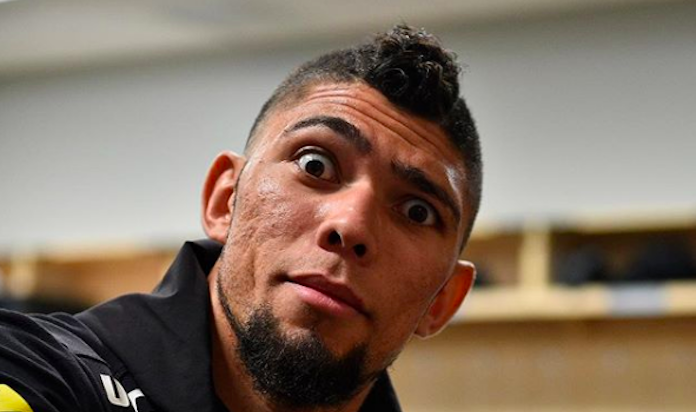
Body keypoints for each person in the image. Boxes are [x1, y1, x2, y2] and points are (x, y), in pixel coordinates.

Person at [0, 24, 482, 412]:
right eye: (315, 164)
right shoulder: (42, 374)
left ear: (443, 300)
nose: (351, 225)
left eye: (417, 211)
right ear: (224, 199)